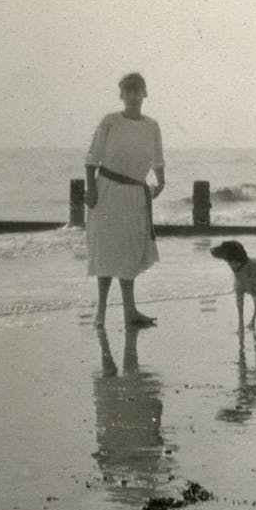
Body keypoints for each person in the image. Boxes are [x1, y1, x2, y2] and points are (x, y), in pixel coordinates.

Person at [85, 72, 165, 328]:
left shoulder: (151, 126)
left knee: (129, 252)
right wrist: (91, 189)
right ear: (121, 95)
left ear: (144, 93)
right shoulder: (110, 121)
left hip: (135, 194)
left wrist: (160, 182)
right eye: (127, 91)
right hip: (107, 190)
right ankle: (101, 312)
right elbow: (92, 158)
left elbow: (158, 160)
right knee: (106, 252)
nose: (132, 95)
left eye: (137, 90)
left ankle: (130, 311)